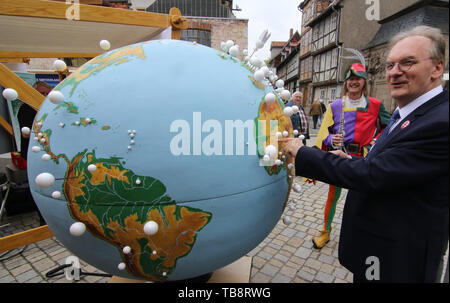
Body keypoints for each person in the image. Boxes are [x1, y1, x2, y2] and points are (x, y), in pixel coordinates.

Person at [282, 25, 448, 283]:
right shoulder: (406, 112)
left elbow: (376, 174)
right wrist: (343, 154)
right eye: (390, 65)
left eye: (407, 63)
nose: (394, 72)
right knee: (330, 203)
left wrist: (303, 154)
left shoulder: (439, 121)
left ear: (437, 68)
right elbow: (391, 164)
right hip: (377, 245)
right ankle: (324, 229)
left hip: (399, 260)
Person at [311, 63, 391, 249]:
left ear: (364, 82)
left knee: (362, 198)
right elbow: (324, 131)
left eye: (358, 79)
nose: (354, 82)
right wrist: (331, 139)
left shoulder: (376, 105)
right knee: (332, 196)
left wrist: (376, 141)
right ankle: (325, 231)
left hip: (363, 158)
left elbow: (389, 126)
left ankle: (361, 233)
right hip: (341, 155)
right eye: (351, 79)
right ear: (346, 83)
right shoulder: (335, 105)